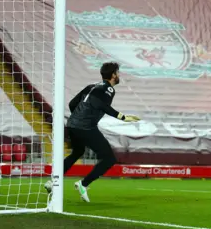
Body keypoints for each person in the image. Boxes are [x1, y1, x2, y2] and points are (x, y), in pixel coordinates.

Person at [45, 62, 140, 202]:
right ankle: (83, 184)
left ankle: (53, 181)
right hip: (85, 127)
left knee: (77, 152)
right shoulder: (108, 89)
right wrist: (123, 117)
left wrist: (78, 117)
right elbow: (101, 105)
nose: (119, 75)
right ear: (113, 75)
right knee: (109, 159)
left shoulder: (91, 86)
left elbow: (72, 104)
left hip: (72, 124)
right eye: (118, 73)